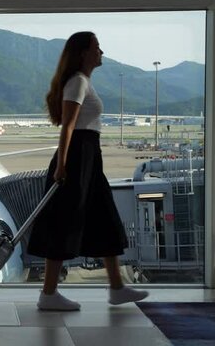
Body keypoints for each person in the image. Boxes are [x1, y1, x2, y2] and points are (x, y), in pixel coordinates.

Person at [27, 31, 149, 311]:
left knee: (104, 218)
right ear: (83, 53)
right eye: (97, 47)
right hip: (78, 158)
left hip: (89, 158)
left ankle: (117, 288)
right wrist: (62, 166)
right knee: (64, 221)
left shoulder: (82, 82)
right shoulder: (78, 82)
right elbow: (68, 127)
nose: (101, 52)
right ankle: (48, 294)